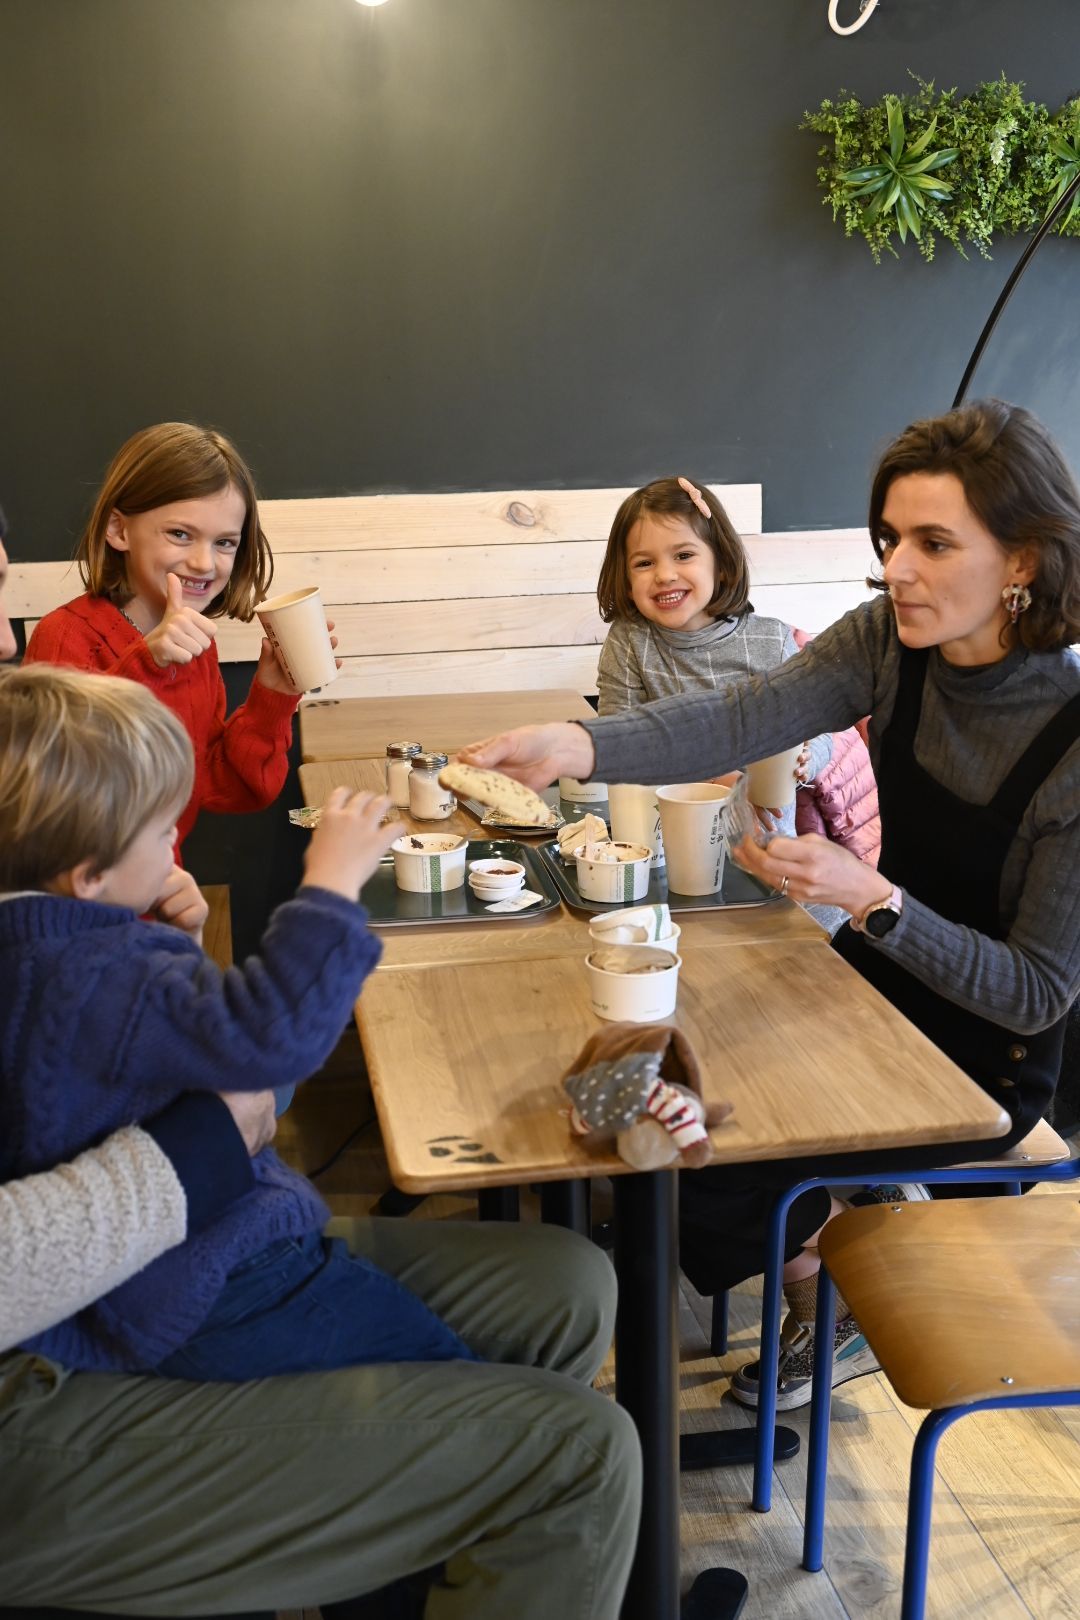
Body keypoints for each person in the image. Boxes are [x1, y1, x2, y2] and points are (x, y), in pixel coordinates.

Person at [0, 578, 639, 1620]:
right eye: (165, 836)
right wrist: (329, 890)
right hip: (205, 1280)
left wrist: (151, 940)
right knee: (541, 1422)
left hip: (137, 1272)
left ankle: (409, 1569)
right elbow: (271, 1041)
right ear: (82, 872)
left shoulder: (44, 946)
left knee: (566, 1285)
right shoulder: (100, 967)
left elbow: (99, 1066)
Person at [458, 399, 1080, 1409]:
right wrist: (577, 745)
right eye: (890, 539)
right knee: (658, 1065)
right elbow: (745, 714)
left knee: (704, 1134)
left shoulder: (1070, 736)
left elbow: (1037, 996)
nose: (899, 568)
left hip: (980, 1062)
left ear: (1023, 561)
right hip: (872, 997)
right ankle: (807, 1249)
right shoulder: (891, 638)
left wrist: (876, 900)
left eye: (933, 543)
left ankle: (827, 1304)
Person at [23, 421, 314, 853]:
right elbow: (63, 806)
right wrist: (149, 665)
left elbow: (220, 786)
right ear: (119, 531)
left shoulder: (196, 646)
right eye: (180, 534)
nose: (203, 562)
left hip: (158, 884)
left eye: (225, 543)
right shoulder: (64, 637)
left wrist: (272, 696)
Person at [595, 472, 844, 930]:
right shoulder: (631, 642)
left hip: (766, 859)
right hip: (660, 854)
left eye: (684, 555)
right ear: (624, 576)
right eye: (643, 563)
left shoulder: (771, 642)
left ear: (721, 563)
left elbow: (821, 732)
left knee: (831, 937)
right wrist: (714, 773)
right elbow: (617, 744)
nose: (665, 575)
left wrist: (806, 758)